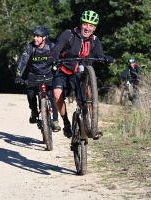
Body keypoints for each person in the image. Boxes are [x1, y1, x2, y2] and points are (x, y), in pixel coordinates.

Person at [46, 10, 115, 138]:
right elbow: (56, 50)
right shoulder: (68, 35)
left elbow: (100, 57)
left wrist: (106, 60)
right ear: (81, 24)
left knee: (90, 93)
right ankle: (66, 123)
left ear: (94, 28)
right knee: (56, 94)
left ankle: (93, 126)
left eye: (91, 26)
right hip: (65, 72)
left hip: (83, 75)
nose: (87, 28)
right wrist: (52, 57)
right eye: (85, 24)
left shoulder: (95, 40)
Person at [14, 25, 61, 132]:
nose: (35, 38)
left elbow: (58, 59)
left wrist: (57, 69)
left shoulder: (51, 46)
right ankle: (34, 111)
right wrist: (18, 75)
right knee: (30, 93)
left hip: (48, 74)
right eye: (34, 36)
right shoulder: (30, 47)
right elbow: (23, 61)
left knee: (52, 95)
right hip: (33, 74)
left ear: (44, 37)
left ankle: (55, 120)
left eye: (38, 36)